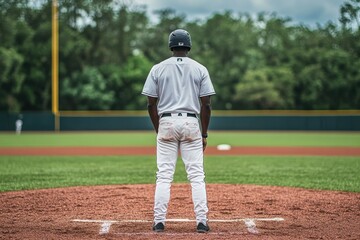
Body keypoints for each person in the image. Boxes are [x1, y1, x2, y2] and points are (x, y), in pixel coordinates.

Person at [142, 29, 216, 233]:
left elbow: (150, 104)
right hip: (191, 123)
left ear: (171, 46)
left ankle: (159, 222)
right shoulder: (200, 68)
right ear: (189, 46)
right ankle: (201, 221)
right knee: (197, 176)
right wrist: (204, 134)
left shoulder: (158, 68)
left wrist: (159, 129)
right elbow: (206, 104)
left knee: (164, 176)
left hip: (166, 120)